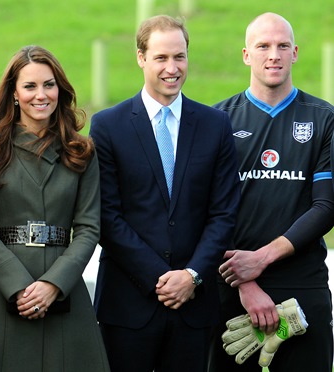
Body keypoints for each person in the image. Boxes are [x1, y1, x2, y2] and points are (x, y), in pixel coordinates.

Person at [89, 15, 240, 372]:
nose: (172, 68)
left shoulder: (215, 125)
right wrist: (162, 278)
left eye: (180, 57)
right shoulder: (108, 126)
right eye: (161, 58)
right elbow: (106, 216)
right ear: (141, 57)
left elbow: (224, 214)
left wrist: (191, 276)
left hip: (195, 304)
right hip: (128, 305)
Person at [0, 45, 110, 372]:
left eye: (49, 84)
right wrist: (19, 287)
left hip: (66, 289)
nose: (40, 95)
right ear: (14, 93)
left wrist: (54, 285)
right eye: (30, 86)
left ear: (60, 89)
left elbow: (88, 229)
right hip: (5, 292)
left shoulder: (81, 152)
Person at [208, 12, 334, 371]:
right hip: (231, 285)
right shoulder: (218, 120)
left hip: (303, 285)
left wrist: (260, 259)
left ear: (295, 53)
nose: (273, 54)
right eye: (263, 46)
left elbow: (326, 206)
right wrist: (244, 282)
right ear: (246, 54)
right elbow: (208, 212)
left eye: (282, 46)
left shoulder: (323, 118)